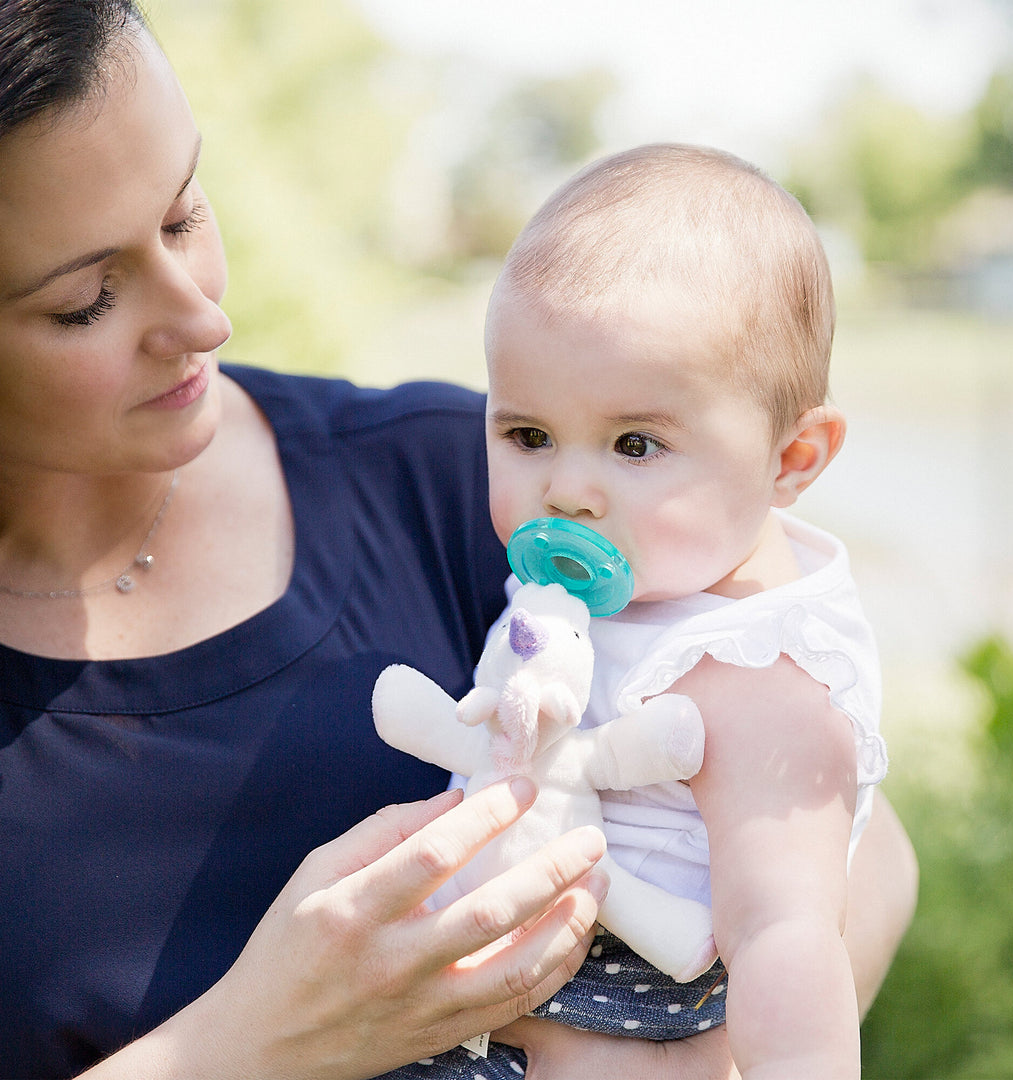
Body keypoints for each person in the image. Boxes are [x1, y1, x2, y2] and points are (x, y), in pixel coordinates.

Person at [0, 3, 915, 1078]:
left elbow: (854, 849)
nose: (202, 318)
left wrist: (671, 1061)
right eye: (86, 300)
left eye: (186, 212)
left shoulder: (470, 482)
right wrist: (246, 1045)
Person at [386, 143, 894, 1080]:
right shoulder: (616, 586)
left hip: (619, 1008)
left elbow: (788, 935)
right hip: (469, 982)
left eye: (635, 445)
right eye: (529, 435)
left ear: (792, 460)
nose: (568, 490)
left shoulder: (758, 673)